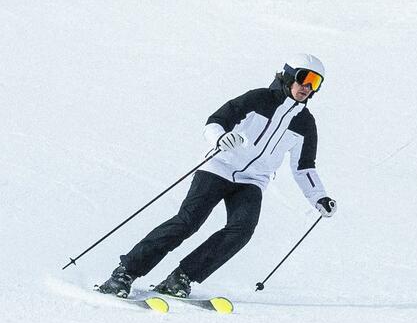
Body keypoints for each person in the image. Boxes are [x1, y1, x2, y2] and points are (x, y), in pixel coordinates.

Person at [94, 55, 337, 299]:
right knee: (188, 222)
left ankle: (181, 277)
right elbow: (216, 121)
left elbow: (304, 167)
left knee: (241, 230)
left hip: (252, 181)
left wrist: (320, 197)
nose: (307, 87)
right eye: (304, 78)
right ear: (288, 75)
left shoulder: (305, 124)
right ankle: (125, 272)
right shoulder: (258, 98)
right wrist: (219, 138)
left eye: (315, 83)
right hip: (219, 166)